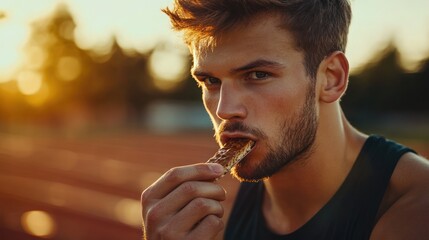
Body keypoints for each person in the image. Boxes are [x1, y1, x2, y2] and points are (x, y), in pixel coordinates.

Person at [141, 0, 429, 239]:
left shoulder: (414, 210)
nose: (224, 109)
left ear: (331, 78)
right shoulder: (211, 219)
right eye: (211, 81)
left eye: (258, 75)